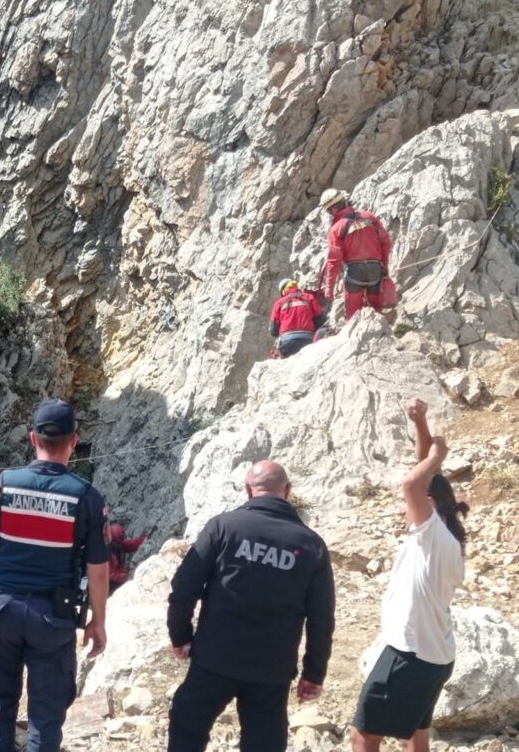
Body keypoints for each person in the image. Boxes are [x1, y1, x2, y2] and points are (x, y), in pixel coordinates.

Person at [0, 399, 110, 752]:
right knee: (45, 719)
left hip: (1, 612)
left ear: (32, 438)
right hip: (53, 620)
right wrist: (98, 621)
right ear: (74, 441)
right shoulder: (87, 498)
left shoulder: (3, 485)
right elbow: (98, 569)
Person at [167, 461, 336, 752]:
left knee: (187, 726)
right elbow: (322, 618)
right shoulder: (312, 545)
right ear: (287, 491)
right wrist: (313, 673)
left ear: (248, 490)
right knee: (265, 743)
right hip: (271, 669)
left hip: (215, 658)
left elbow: (184, 587)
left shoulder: (224, 526)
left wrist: (180, 636)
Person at [350, 399, 468, 752]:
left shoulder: (432, 534)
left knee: (363, 735)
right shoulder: (443, 533)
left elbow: (412, 484)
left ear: (429, 503)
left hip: (409, 655)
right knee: (415, 734)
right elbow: (421, 475)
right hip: (435, 657)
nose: (402, 508)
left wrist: (438, 456)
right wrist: (420, 423)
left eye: (410, 504)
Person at [320, 188, 393, 319]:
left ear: (332, 209)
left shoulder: (336, 229)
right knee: (376, 311)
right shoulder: (369, 217)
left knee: (352, 315)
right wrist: (384, 265)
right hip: (375, 270)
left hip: (354, 273)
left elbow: (334, 261)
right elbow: (386, 241)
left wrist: (329, 288)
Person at [269, 279, 324, 358]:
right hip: (307, 340)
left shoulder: (279, 302)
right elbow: (319, 321)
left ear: (283, 291)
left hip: (286, 343)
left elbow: (273, 330)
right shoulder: (309, 297)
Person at [108, 522, 146, 591]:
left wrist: (143, 540)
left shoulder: (117, 545)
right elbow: (110, 574)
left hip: (117, 577)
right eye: (119, 541)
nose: (121, 543)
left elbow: (131, 545)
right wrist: (127, 576)